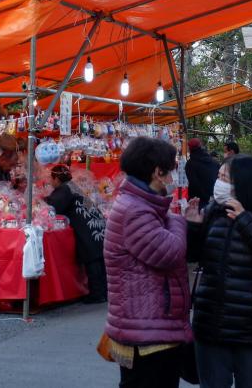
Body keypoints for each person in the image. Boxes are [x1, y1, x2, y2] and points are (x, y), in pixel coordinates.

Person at [185, 154, 252, 388]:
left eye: (225, 178)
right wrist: (193, 227)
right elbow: (194, 257)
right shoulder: (214, 210)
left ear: (243, 183)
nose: (218, 183)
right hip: (211, 324)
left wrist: (245, 220)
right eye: (218, 176)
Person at [102, 137, 192, 387]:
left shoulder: (140, 205)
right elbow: (171, 252)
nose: (171, 179)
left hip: (148, 325)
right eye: (169, 172)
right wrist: (178, 220)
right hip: (146, 330)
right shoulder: (136, 210)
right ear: (156, 172)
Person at [46, 164, 107, 303]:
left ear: (56, 179)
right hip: (96, 223)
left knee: (92, 259)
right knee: (98, 259)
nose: (50, 182)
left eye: (51, 179)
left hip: (88, 227)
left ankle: (97, 294)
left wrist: (40, 202)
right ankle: (103, 291)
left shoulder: (63, 189)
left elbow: (53, 207)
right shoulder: (72, 186)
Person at [185, 138, 219, 209]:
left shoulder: (190, 164)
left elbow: (193, 183)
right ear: (201, 146)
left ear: (189, 148)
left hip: (196, 201)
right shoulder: (214, 162)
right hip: (213, 199)